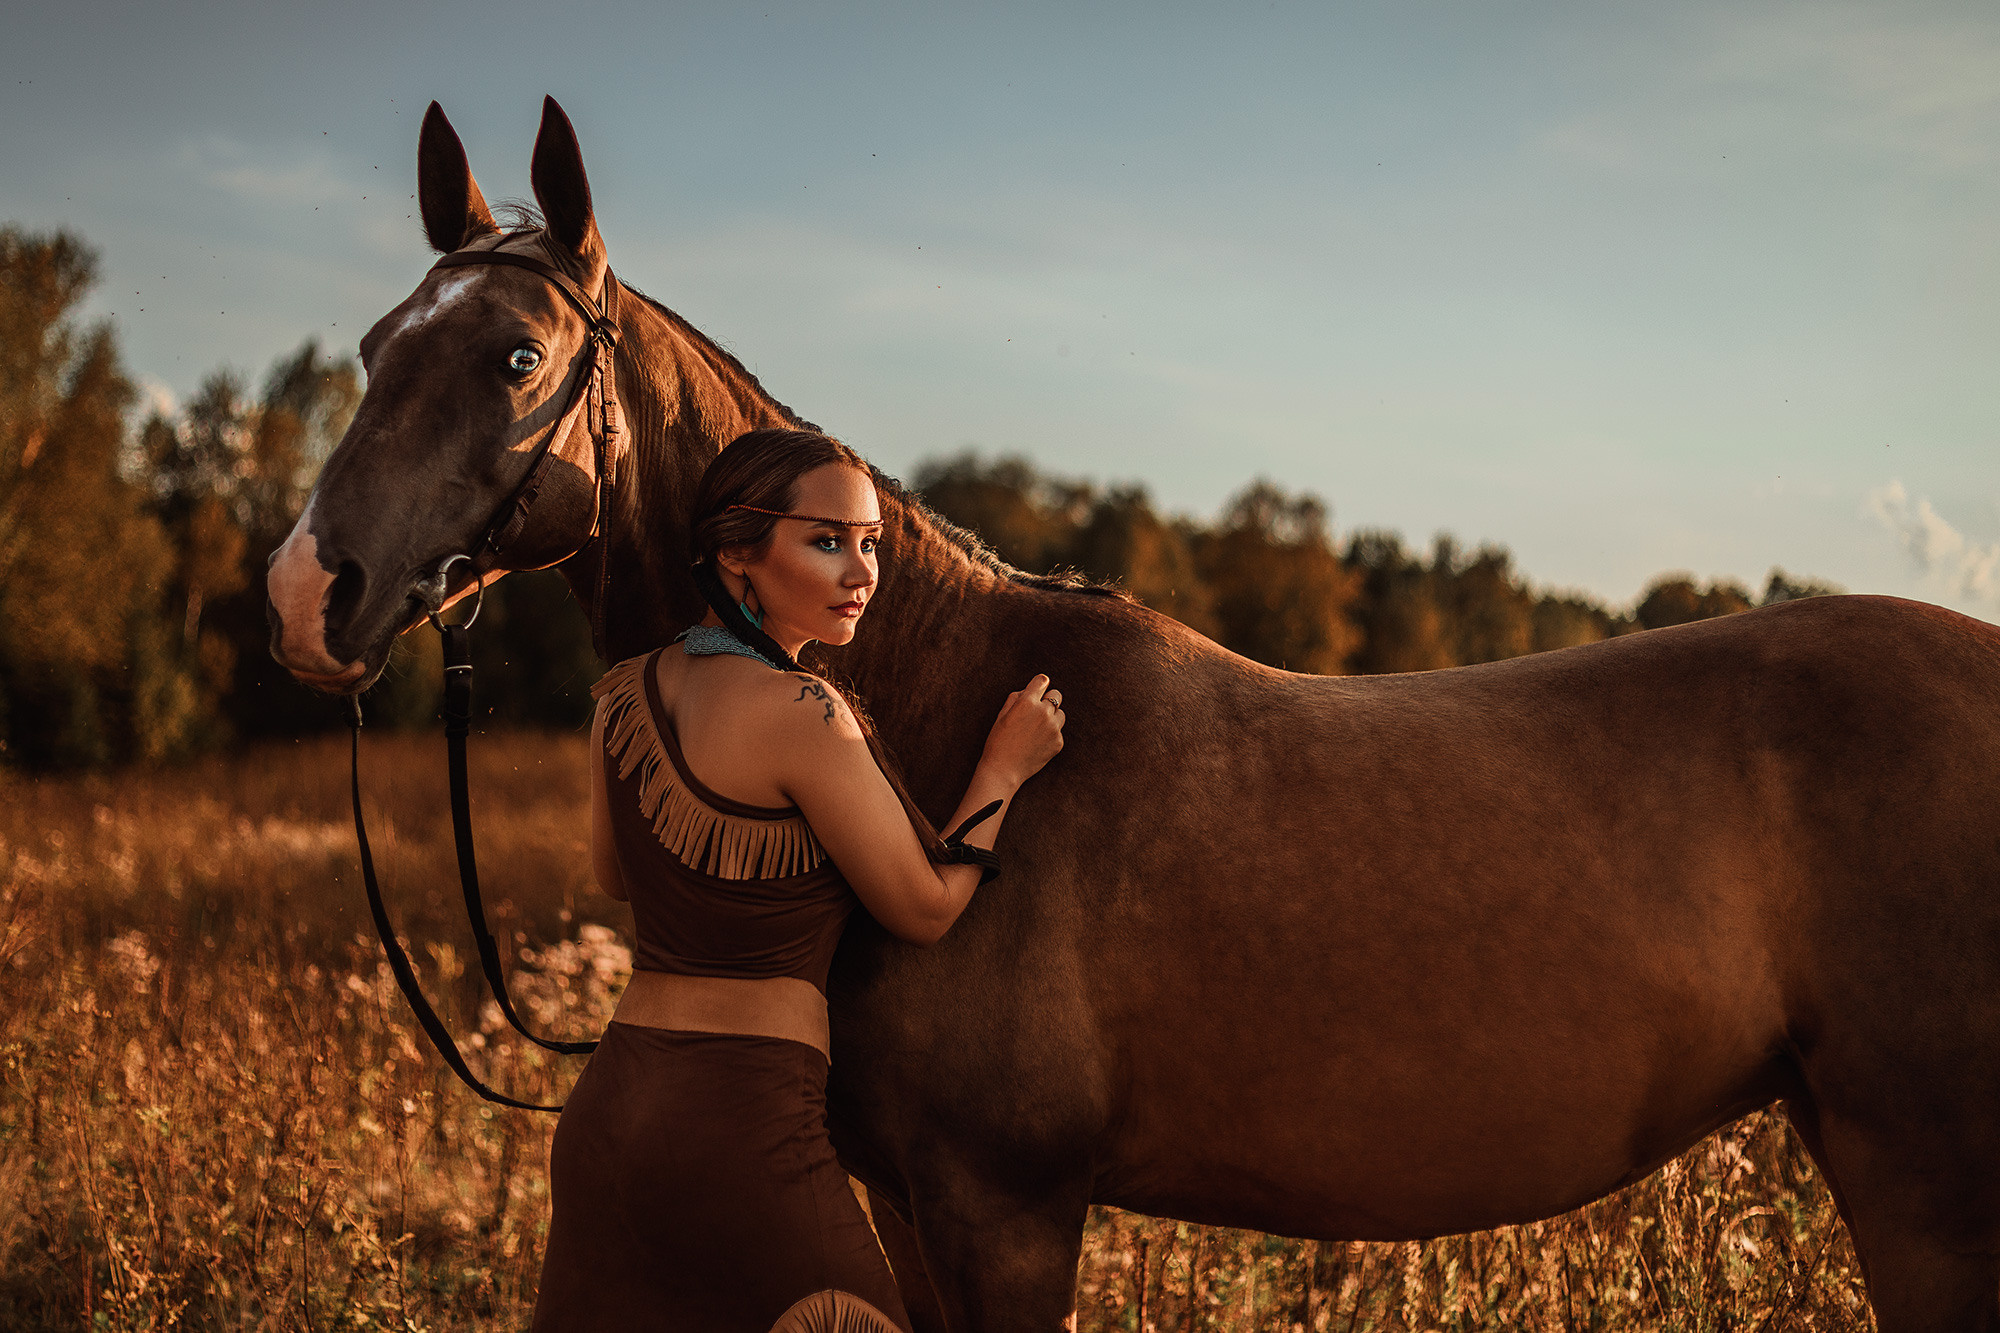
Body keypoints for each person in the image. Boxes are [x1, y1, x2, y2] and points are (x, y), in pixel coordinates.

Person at [531, 428, 1066, 1332]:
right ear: (738, 552)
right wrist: (1003, 772)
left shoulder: (625, 692)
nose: (861, 572)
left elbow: (615, 875)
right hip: (742, 1122)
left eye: (870, 543)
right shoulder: (806, 712)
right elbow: (927, 908)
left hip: (608, 1120)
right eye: (826, 541)